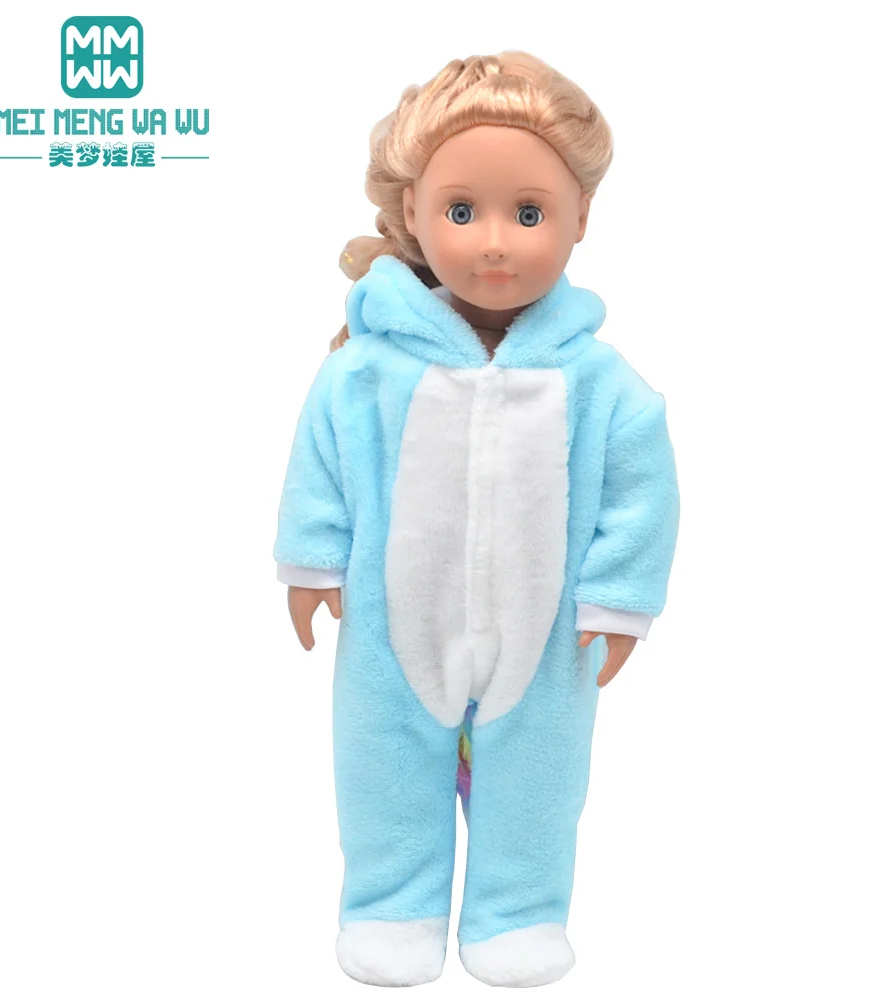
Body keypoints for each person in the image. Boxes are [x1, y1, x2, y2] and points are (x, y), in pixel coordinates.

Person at [273, 50, 680, 988]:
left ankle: (519, 912)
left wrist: (620, 600)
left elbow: (642, 490)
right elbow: (322, 461)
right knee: (382, 768)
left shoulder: (598, 382)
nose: (495, 242)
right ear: (414, 211)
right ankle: (391, 907)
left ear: (581, 219)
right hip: (392, 626)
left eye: (528, 214)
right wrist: (312, 562)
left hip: (549, 634)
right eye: (462, 212)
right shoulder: (366, 369)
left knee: (539, 780)